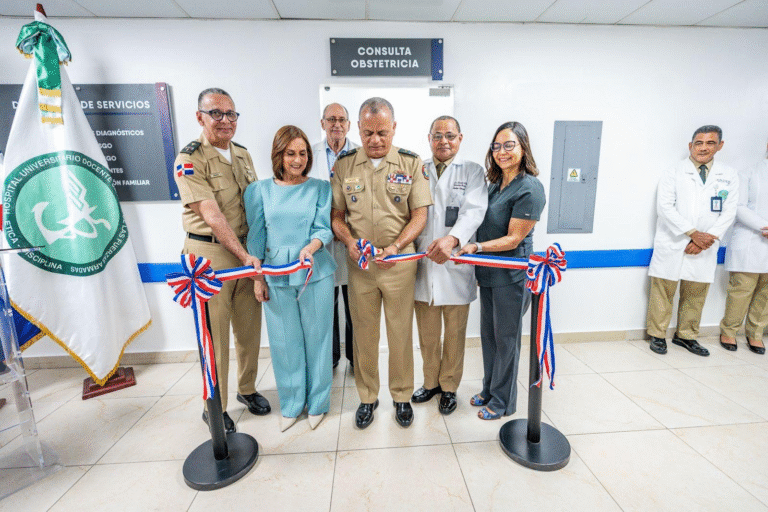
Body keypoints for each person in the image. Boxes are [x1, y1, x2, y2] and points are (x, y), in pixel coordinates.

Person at [331, 97, 432, 429]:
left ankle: (401, 397)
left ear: (394, 129)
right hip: (361, 268)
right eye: (369, 132)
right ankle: (367, 397)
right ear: (358, 128)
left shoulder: (410, 163)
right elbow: (337, 215)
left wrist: (398, 245)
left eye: (382, 133)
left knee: (401, 333)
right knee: (364, 334)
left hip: (399, 265)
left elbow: (420, 215)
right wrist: (348, 241)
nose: (375, 140)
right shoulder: (345, 165)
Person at [174, 88, 270, 434]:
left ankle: (247, 389)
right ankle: (214, 406)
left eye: (231, 113)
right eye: (216, 113)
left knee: (248, 329)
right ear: (200, 116)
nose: (225, 120)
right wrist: (247, 257)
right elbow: (213, 216)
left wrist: (257, 254)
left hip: (246, 252)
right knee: (215, 337)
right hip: (211, 256)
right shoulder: (190, 159)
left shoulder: (242, 155)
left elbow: (256, 206)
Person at [245, 125, 336, 432]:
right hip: (274, 274)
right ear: (279, 155)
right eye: (290, 153)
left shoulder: (321, 188)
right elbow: (256, 239)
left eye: (303, 153)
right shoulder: (258, 191)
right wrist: (258, 279)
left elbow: (324, 228)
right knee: (284, 342)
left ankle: (318, 402)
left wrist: (311, 247)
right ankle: (292, 403)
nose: (297, 160)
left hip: (315, 271)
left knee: (319, 340)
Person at [456, 121, 545, 420]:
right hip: (489, 274)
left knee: (506, 339)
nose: (502, 151)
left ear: (523, 148)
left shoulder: (530, 187)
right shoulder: (494, 185)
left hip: (512, 275)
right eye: (497, 146)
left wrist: (476, 248)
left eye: (509, 145)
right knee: (489, 336)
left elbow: (514, 238)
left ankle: (503, 401)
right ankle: (489, 389)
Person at [412, 115, 488, 415]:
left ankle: (449, 387)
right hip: (424, 262)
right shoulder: (418, 169)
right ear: (429, 138)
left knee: (455, 334)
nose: (444, 141)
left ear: (460, 138)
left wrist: (452, 239)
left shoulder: (472, 171)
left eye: (450, 136)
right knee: (427, 334)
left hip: (456, 263)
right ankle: (430, 382)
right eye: (437, 135)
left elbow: (474, 212)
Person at [646, 125, 739, 356]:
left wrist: (704, 240)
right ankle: (657, 335)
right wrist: (692, 233)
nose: (704, 148)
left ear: (720, 146)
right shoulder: (674, 172)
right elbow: (665, 208)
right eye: (699, 143)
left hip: (705, 245)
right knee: (663, 290)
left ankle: (686, 336)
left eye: (710, 143)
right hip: (674, 241)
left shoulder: (728, 175)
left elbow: (729, 212)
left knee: (696, 292)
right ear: (691, 145)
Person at [310, 103, 359, 371]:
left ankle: (355, 357)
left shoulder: (361, 155)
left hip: (351, 239)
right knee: (325, 305)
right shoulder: (311, 154)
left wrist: (346, 231)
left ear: (349, 125)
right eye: (331, 119)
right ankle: (329, 358)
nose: (336, 124)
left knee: (354, 304)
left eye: (341, 119)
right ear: (323, 123)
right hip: (321, 243)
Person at [719, 142, 768, 354]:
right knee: (741, 291)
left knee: (765, 294)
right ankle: (729, 331)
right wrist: (763, 226)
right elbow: (738, 206)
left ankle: (755, 334)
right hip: (751, 240)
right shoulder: (748, 174)